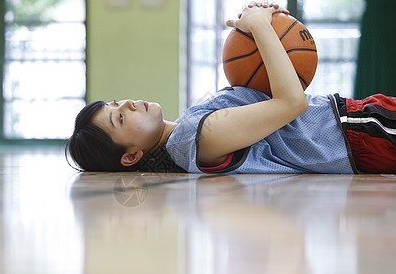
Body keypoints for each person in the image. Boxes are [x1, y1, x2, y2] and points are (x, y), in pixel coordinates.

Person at [66, 1, 396, 174]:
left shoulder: (189, 130)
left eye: (116, 103)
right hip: (361, 133)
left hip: (360, 126)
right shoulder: (195, 140)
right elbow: (290, 103)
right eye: (119, 119)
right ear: (132, 156)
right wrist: (260, 27)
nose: (127, 105)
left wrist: (269, 28)